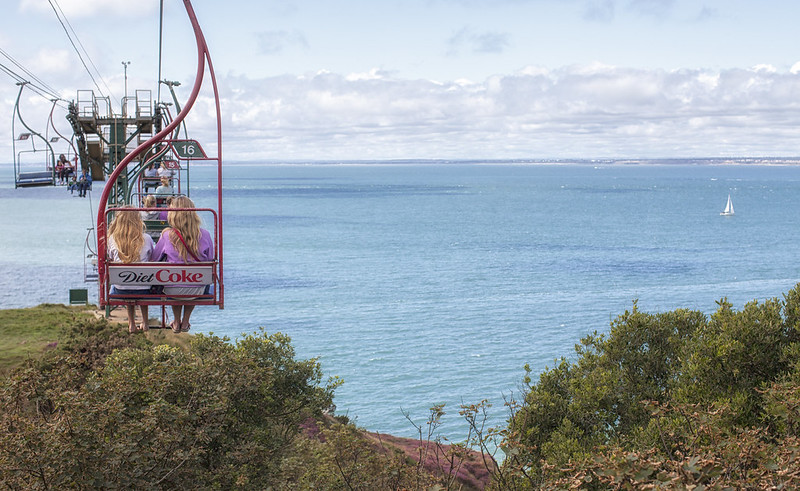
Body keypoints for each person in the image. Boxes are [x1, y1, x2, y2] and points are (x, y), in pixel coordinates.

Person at [151, 196, 214, 333]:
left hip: (172, 288)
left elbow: (154, 259)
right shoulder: (205, 234)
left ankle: (177, 320)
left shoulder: (167, 235)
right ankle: (185, 321)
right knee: (194, 281)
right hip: (197, 288)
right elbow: (210, 260)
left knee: (174, 281)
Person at [107, 208, 155, 334]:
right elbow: (152, 258)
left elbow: (110, 258)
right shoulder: (146, 238)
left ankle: (131, 323)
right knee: (142, 280)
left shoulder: (112, 239)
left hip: (121, 288)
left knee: (126, 282)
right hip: (143, 288)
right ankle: (145, 321)